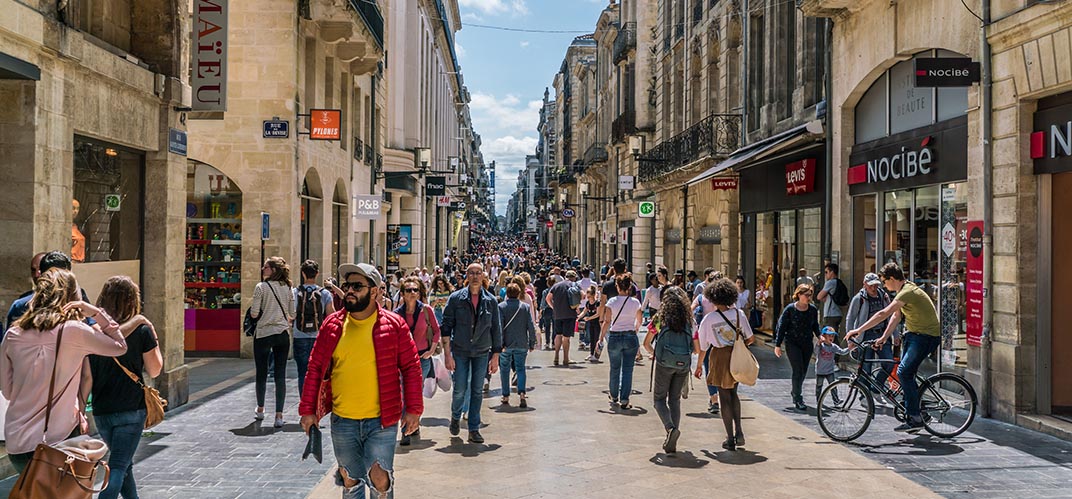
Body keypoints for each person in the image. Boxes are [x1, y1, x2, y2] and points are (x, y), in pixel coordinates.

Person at [299, 263, 422, 499]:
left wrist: (414, 409)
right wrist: (308, 410)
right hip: (343, 420)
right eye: (347, 286)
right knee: (349, 478)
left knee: (380, 478)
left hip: (382, 420)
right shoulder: (332, 325)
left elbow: (411, 367)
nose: (350, 291)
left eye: (357, 286)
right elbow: (314, 368)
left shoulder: (394, 325)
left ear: (374, 291)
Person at [1, 269, 127, 473]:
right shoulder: (74, 331)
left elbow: (7, 392)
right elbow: (120, 346)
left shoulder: (13, 334)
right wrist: (96, 313)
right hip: (58, 440)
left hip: (17, 442)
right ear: (71, 297)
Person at [86, 276, 163, 499]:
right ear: (133, 300)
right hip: (131, 409)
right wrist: (150, 335)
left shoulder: (92, 332)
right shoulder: (141, 332)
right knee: (119, 465)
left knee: (124, 463)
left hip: (102, 410)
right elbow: (155, 369)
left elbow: (87, 376)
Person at [848, 263, 941, 433]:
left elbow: (883, 314)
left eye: (884, 282)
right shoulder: (903, 291)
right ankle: (920, 410)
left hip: (926, 337)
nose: (883, 286)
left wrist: (858, 330)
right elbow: (896, 317)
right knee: (906, 374)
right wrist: (884, 337)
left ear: (892, 278)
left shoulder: (908, 292)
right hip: (914, 335)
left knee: (903, 372)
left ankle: (915, 417)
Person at [441, 263, 502, 444]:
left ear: (483, 275)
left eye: (478, 273)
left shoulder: (491, 300)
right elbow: (446, 327)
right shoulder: (456, 299)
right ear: (466, 275)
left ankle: (473, 428)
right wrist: (447, 354)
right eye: (471, 273)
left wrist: (496, 356)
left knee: (477, 390)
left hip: (482, 351)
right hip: (460, 350)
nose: (475, 276)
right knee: (459, 389)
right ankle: (455, 415)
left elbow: (496, 330)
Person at [695, 278, 755, 451]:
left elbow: (704, 346)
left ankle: (730, 438)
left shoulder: (709, 319)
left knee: (723, 397)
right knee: (734, 394)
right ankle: (740, 432)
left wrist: (699, 366)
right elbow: (750, 338)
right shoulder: (739, 314)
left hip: (719, 356)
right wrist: (738, 346)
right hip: (735, 355)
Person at [642, 287, 694, 454]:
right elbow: (695, 346)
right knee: (675, 400)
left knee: (659, 399)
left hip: (664, 363)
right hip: (683, 364)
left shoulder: (660, 318)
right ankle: (674, 436)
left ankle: (670, 429)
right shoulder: (689, 320)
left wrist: (655, 354)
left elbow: (646, 343)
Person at [393, 276, 440, 446]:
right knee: (404, 393)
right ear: (403, 294)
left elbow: (436, 331)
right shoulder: (397, 314)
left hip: (421, 358)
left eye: (416, 290)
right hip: (403, 359)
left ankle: (412, 424)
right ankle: (407, 428)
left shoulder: (426, 310)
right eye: (408, 290)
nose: (412, 293)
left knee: (414, 392)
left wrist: (431, 350)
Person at [250, 256, 296, 428]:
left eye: (266, 267)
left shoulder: (261, 287)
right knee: (280, 375)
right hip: (282, 334)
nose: (263, 269)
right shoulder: (288, 288)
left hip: (263, 333)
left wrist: (264, 312)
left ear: (274, 270)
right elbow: (293, 312)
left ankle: (261, 409)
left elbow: (254, 313)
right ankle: (279, 415)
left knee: (261, 373)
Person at [844, 272, 901, 406]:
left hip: (882, 334)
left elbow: (892, 315)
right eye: (871, 286)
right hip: (866, 336)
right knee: (866, 368)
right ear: (864, 285)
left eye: (876, 285)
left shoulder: (883, 296)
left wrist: (895, 334)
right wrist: (850, 339)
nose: (874, 288)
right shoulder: (859, 298)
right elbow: (850, 318)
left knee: (888, 362)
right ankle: (864, 396)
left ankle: (876, 389)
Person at [774, 284, 822, 411]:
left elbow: (815, 325)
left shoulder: (812, 309)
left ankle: (795, 391)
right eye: (806, 295)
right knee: (798, 369)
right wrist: (778, 345)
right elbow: (782, 327)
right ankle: (798, 397)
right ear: (799, 295)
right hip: (792, 343)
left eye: (810, 295)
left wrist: (819, 336)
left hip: (806, 343)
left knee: (804, 370)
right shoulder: (790, 309)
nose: (808, 298)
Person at [599, 273, 643, 410]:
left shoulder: (611, 302)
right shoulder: (635, 302)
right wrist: (635, 329)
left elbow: (607, 321)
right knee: (628, 369)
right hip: (630, 336)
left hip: (615, 336)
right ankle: (625, 399)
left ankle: (614, 395)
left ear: (617, 287)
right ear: (629, 287)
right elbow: (639, 321)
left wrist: (600, 338)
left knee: (615, 368)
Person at [293, 260, 335, 398]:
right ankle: (315, 406)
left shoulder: (295, 292)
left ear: (303, 274)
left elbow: (291, 314)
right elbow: (331, 316)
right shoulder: (324, 293)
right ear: (317, 274)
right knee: (317, 373)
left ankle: (304, 406)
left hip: (299, 336)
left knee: (302, 373)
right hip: (318, 337)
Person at [498, 283, 536, 408]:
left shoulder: (501, 307)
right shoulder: (524, 307)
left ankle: (505, 395)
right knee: (520, 368)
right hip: (521, 343)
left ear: (507, 294)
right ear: (519, 293)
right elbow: (530, 326)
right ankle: (522, 394)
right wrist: (532, 342)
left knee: (504, 369)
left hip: (506, 344)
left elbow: (499, 327)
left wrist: (499, 343)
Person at [4, 252, 45, 334]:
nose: (37, 274)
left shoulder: (70, 300)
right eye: (33, 270)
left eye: (41, 269)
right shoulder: (22, 303)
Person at [547, 270, 580, 366]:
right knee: (566, 338)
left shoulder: (556, 286)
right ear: (573, 277)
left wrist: (553, 307)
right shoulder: (574, 285)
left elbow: (548, 298)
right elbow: (582, 295)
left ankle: (556, 356)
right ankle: (566, 358)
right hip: (570, 314)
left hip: (558, 314)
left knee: (558, 334)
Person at [814, 327, 850, 404]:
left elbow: (842, 352)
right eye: (829, 336)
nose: (831, 338)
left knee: (833, 386)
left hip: (830, 371)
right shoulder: (821, 346)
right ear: (823, 336)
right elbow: (816, 352)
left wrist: (850, 348)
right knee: (819, 386)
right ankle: (819, 401)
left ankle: (836, 400)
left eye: (833, 336)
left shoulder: (834, 346)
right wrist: (818, 343)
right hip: (820, 371)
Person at [815, 263, 844, 332]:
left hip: (830, 314)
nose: (825, 274)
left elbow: (819, 296)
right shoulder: (838, 282)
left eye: (826, 272)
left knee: (829, 336)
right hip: (838, 313)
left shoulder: (830, 283)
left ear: (832, 272)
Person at [580, 286, 601, 362]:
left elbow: (598, 314)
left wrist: (588, 318)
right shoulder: (588, 303)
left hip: (597, 323)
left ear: (593, 295)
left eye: (589, 297)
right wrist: (579, 317)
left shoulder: (597, 303)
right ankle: (591, 354)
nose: (588, 298)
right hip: (591, 323)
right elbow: (584, 311)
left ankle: (596, 355)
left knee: (596, 339)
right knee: (591, 339)